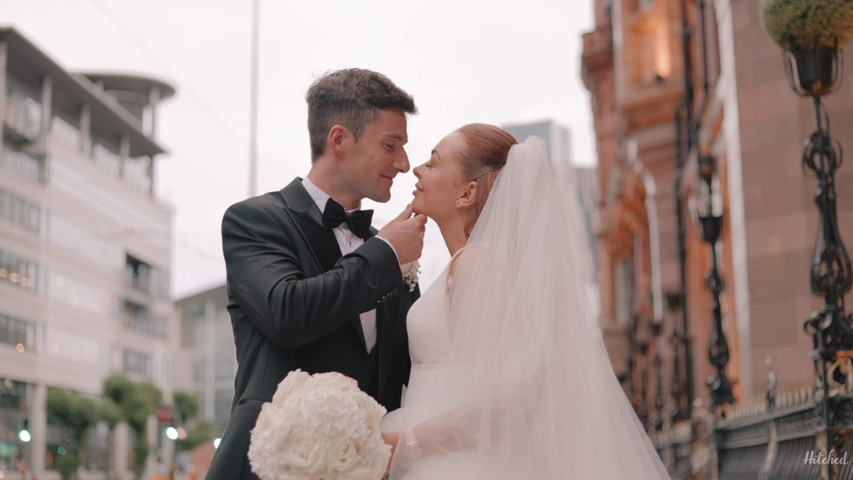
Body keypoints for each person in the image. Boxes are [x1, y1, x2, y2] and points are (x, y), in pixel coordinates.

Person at [380, 124, 671, 479]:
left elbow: (505, 406)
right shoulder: (471, 264)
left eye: (433, 162)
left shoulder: (476, 263)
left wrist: (402, 442)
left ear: (467, 194)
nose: (417, 169)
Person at [207, 68, 426, 480]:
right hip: (268, 468)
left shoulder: (386, 247)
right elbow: (287, 315)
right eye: (390, 145)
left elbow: (407, 369)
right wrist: (384, 253)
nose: (403, 163)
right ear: (340, 140)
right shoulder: (255, 220)